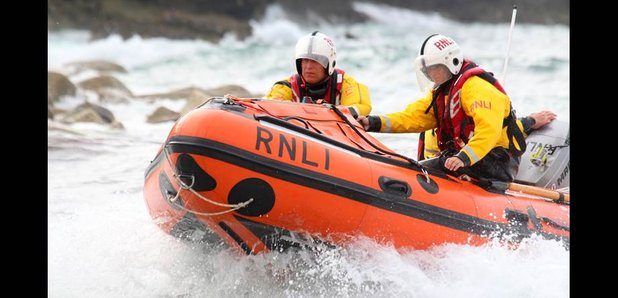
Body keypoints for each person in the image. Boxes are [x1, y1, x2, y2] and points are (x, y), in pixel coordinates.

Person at [358, 33, 528, 182]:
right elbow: (412, 117)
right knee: (436, 161)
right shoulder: (442, 93)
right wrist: (373, 122)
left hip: (498, 160)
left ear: (450, 63)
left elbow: (488, 131)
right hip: (473, 158)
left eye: (433, 68)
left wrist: (463, 157)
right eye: (426, 70)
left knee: (435, 164)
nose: (429, 74)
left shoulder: (477, 88)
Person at [264, 31, 372, 118]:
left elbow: (362, 107)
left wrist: (328, 112)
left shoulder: (345, 83)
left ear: (329, 64)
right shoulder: (286, 86)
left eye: (316, 61)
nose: (308, 66)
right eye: (305, 60)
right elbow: (269, 105)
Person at [418, 110, 558, 160]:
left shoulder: (436, 113)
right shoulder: (457, 119)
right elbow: (492, 137)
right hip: (450, 178)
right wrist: (529, 122)